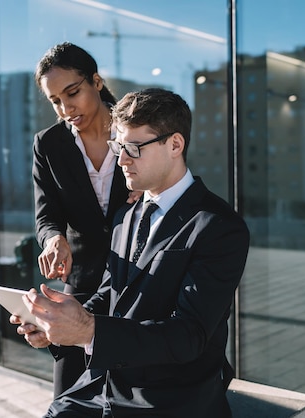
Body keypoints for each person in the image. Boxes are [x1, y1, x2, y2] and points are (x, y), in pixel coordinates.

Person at [14, 87, 250, 418]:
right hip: (107, 387)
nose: (121, 159)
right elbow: (110, 296)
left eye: (133, 148)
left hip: (171, 398)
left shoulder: (219, 227)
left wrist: (89, 330)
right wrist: (55, 328)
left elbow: (188, 336)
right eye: (118, 146)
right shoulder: (126, 215)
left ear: (175, 145)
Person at [32, 42, 136, 398]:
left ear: (96, 81)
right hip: (84, 280)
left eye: (72, 92)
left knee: (133, 389)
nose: (65, 108)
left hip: (141, 276)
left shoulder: (137, 128)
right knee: (69, 392)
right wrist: (53, 240)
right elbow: (46, 214)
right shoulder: (48, 144)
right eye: (55, 100)